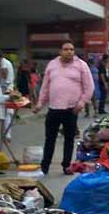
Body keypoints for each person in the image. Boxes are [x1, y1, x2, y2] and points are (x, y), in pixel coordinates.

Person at [34, 41, 92, 174]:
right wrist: (39, 103)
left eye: (72, 49)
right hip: (54, 109)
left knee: (69, 139)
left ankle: (66, 165)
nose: (69, 52)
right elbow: (45, 86)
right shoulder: (52, 64)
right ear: (60, 51)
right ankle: (45, 166)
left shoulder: (81, 65)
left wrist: (81, 103)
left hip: (71, 109)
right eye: (66, 49)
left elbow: (89, 87)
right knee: (50, 138)